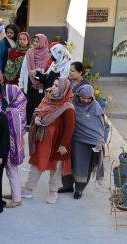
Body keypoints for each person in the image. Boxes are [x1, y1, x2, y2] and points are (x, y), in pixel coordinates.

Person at [22, 78, 75, 204]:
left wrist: (63, 145)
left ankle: (53, 192)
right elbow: (38, 110)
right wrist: (37, 118)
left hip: (57, 143)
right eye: (53, 84)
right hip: (42, 139)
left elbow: (69, 128)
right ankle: (28, 190)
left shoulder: (68, 107)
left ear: (63, 89)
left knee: (55, 169)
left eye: (57, 85)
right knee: (36, 164)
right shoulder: (48, 98)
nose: (53, 87)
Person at [66, 85, 104, 199]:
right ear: (78, 96)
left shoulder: (96, 107)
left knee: (82, 166)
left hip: (88, 142)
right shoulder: (73, 104)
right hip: (72, 138)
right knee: (68, 164)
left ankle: (79, 190)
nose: (86, 100)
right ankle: (67, 185)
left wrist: (98, 141)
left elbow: (100, 127)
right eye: (83, 97)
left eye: (89, 98)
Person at [58, 61, 90, 192]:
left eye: (72, 71)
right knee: (66, 157)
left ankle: (79, 189)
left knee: (80, 159)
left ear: (80, 72)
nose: (69, 72)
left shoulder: (86, 87)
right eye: (69, 70)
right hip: (67, 124)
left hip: (80, 128)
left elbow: (86, 108)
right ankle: (67, 185)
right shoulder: (68, 83)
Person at [2, 84, 27, 208]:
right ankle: (15, 193)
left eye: (7, 94)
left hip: (12, 147)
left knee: (11, 171)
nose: (6, 97)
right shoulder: (20, 104)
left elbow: (9, 130)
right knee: (14, 171)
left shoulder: (12, 111)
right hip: (18, 144)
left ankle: (16, 199)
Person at [18, 33, 51, 124]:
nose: (35, 43)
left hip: (42, 85)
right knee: (29, 106)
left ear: (43, 43)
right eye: (34, 41)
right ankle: (28, 125)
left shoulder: (48, 55)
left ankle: (38, 124)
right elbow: (23, 69)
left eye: (37, 41)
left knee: (40, 106)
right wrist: (20, 84)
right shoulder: (29, 53)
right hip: (30, 83)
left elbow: (48, 71)